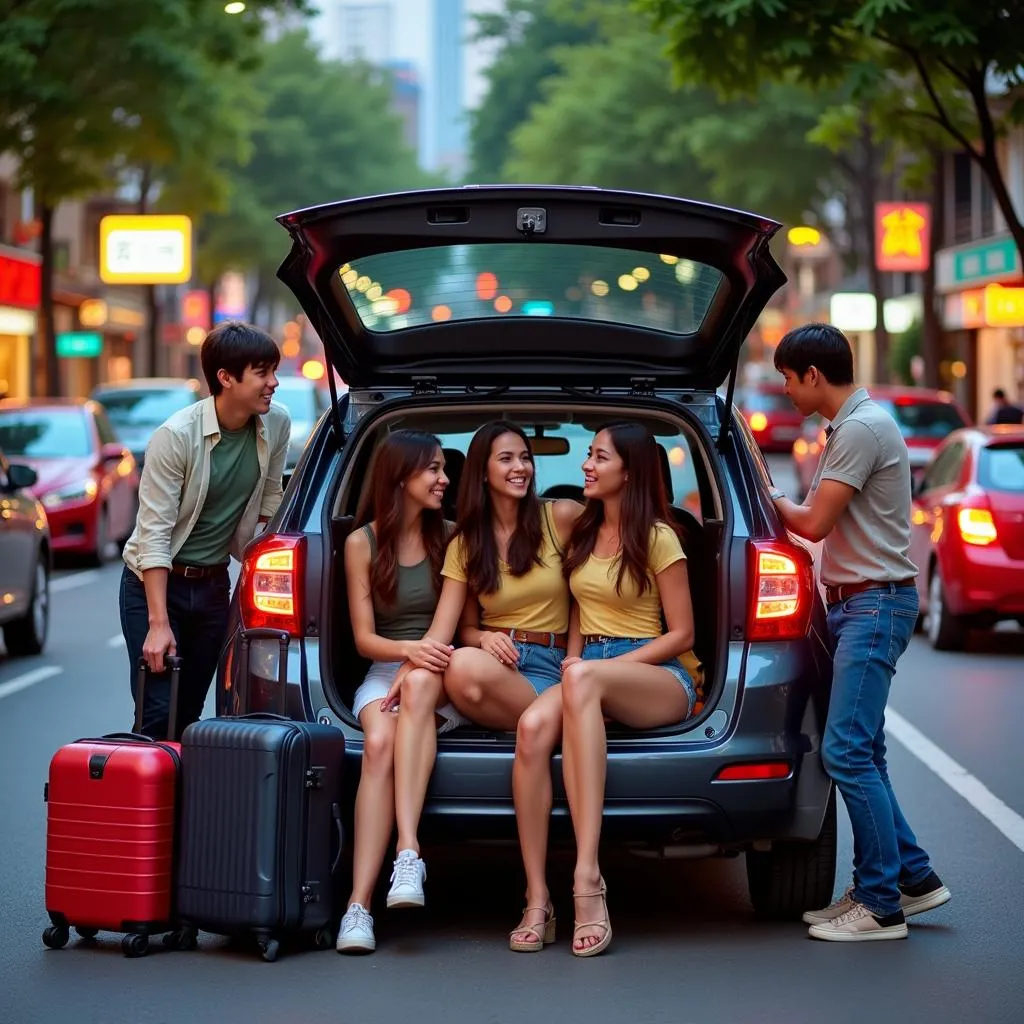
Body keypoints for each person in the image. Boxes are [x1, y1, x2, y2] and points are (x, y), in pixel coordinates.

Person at [771, 322, 951, 942]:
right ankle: (914, 879)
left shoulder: (860, 429)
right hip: (864, 605)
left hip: (874, 607)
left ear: (813, 375)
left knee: (845, 750)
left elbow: (814, 524)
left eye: (788, 379)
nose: (786, 391)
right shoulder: (856, 425)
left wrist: (765, 495)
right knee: (862, 748)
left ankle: (879, 905)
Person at [516, 421, 701, 958]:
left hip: (660, 675)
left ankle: (587, 877)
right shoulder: (584, 529)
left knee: (582, 678)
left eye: (599, 457)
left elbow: (682, 633)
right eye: (590, 455)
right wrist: (578, 659)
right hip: (589, 669)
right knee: (530, 729)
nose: (586, 465)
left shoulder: (661, 537)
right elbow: (580, 612)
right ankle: (536, 897)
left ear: (630, 471)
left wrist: (600, 669)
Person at [428, 421, 581, 952]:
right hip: (507, 666)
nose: (521, 468)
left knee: (529, 735)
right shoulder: (465, 540)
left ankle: (538, 900)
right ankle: (538, 896)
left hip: (563, 662)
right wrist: (484, 635)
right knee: (462, 667)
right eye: (507, 459)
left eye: (525, 458)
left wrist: (579, 662)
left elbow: (594, 588)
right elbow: (455, 630)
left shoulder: (560, 516)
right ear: (483, 473)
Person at [120, 321, 290, 741]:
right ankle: (147, 800)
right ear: (226, 378)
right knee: (158, 710)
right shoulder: (175, 437)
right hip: (154, 586)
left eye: (273, 371)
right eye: (263, 373)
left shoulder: (276, 424)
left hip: (213, 586)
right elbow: (154, 534)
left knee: (191, 712)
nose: (274, 383)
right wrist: (159, 624)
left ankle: (183, 806)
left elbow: (270, 500)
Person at [335, 430, 467, 954]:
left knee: (415, 691)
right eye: (432, 469)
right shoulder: (360, 543)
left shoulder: (454, 537)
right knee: (378, 744)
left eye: (443, 468)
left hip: (440, 675)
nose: (444, 479)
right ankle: (359, 908)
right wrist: (407, 655)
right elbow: (365, 638)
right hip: (385, 672)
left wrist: (418, 660)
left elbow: (445, 634)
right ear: (400, 477)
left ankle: (407, 857)